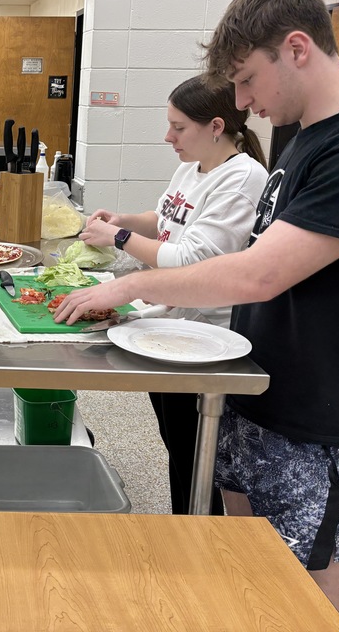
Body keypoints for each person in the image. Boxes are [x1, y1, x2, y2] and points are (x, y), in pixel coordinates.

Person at [54, 0, 339, 615]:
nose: (242, 99)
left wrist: (132, 280)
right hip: (260, 394)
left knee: (301, 605)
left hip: (322, 425)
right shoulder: (305, 141)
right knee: (239, 586)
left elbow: (257, 272)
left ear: (296, 48)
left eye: (248, 78)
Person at [79, 75, 268, 516]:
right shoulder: (192, 164)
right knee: (177, 441)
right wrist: (126, 218)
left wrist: (119, 236)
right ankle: (186, 525)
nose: (169, 137)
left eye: (178, 127)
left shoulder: (242, 178)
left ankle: (198, 532)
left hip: (203, 338)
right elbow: (167, 218)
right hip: (167, 323)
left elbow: (190, 258)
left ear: (216, 126)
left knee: (194, 453)